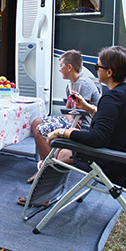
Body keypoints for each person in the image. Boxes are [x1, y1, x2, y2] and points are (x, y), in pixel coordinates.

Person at [20, 46, 126, 202]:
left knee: (60, 153)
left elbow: (96, 138)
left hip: (117, 167)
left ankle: (42, 197)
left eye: (98, 66)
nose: (95, 70)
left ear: (109, 72)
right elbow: (112, 119)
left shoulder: (111, 98)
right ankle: (45, 188)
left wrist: (63, 132)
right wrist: (88, 107)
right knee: (62, 149)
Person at [27, 50, 101, 183]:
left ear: (69, 67)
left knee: (40, 129)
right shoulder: (71, 84)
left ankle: (46, 171)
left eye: (61, 66)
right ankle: (46, 162)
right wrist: (69, 114)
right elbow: (69, 109)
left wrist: (70, 118)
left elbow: (80, 112)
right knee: (36, 122)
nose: (59, 69)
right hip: (73, 120)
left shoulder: (83, 84)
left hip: (84, 124)